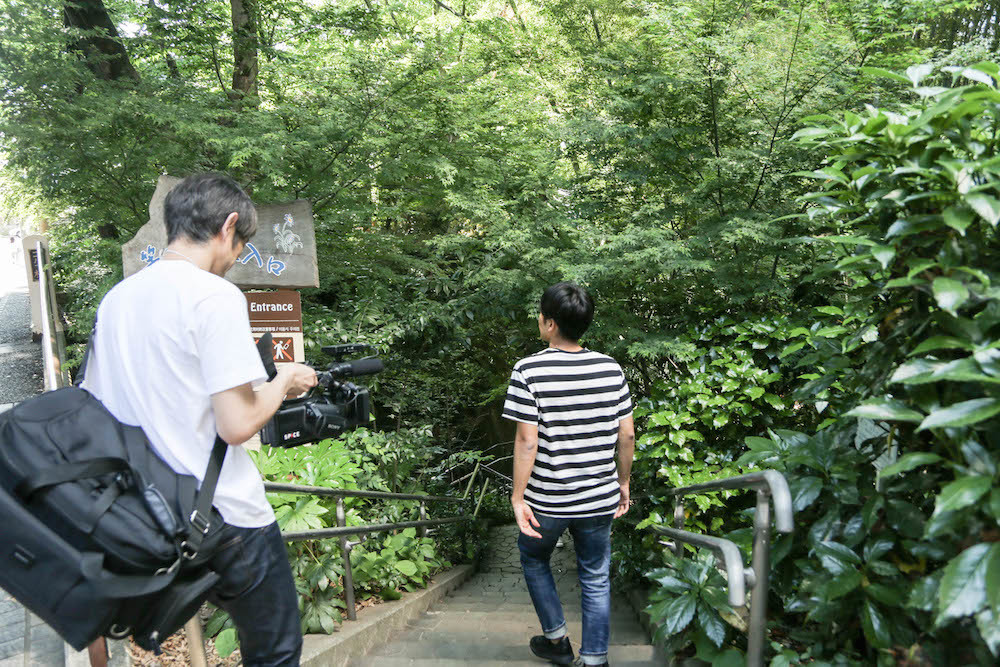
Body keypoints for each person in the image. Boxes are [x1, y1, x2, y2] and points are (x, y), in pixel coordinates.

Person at [82, 173, 317, 666]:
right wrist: (285, 381)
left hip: (147, 514)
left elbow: (97, 409)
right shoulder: (213, 296)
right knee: (275, 651)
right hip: (227, 517)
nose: (236, 258)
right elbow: (236, 424)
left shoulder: (117, 300)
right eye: (241, 244)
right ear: (228, 226)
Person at [503, 282, 635, 667]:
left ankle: (557, 640)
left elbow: (528, 442)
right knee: (595, 576)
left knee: (532, 558)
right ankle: (595, 659)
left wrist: (517, 497)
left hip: (548, 500)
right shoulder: (610, 368)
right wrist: (623, 484)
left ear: (548, 323)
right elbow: (626, 433)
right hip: (598, 498)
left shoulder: (529, 369)